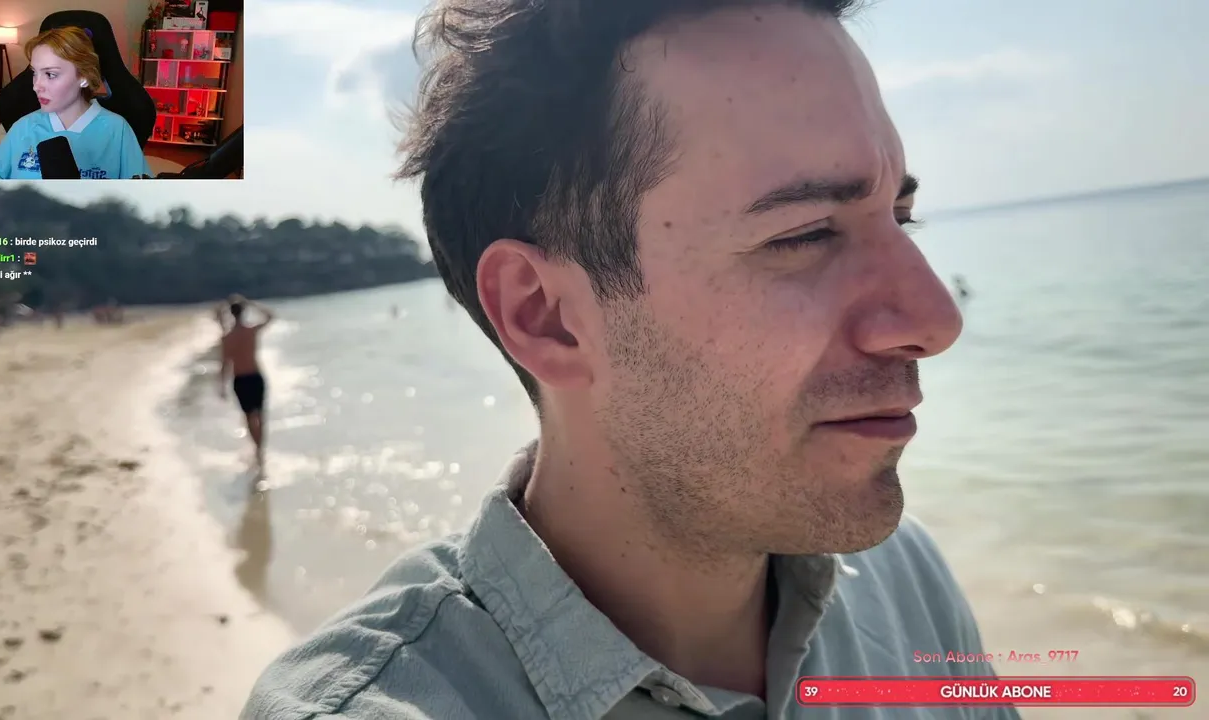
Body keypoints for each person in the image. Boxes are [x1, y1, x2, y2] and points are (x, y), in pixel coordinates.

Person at [243, 1, 1018, 718]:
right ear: (546, 316)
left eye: (901, 216)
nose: (935, 320)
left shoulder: (905, 581)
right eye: (804, 235)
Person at [0, 26, 151, 181]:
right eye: (34, 73)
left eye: (50, 74)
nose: (36, 86)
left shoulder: (117, 130)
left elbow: (141, 195)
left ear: (84, 77)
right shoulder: (23, 128)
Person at [218, 296, 273, 465]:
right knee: (260, 415)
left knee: (249, 416)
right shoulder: (251, 331)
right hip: (255, 377)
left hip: (240, 379)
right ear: (244, 312)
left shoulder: (227, 338)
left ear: (231, 314)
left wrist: (222, 385)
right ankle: (260, 450)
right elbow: (270, 316)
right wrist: (251, 303)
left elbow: (225, 363)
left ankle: (257, 449)